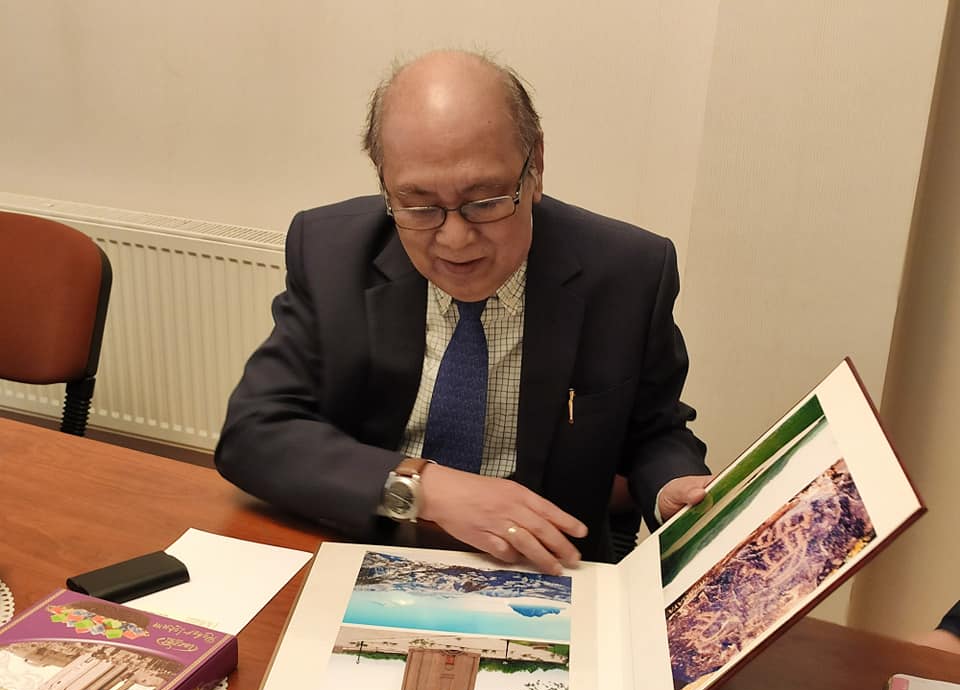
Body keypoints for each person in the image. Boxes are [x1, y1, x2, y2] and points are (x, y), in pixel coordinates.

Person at [215, 50, 711, 573]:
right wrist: (426, 487)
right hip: (367, 551)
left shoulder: (628, 272)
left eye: (485, 200)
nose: (454, 239)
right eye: (418, 205)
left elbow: (655, 430)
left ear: (535, 167)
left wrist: (671, 487)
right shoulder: (330, 253)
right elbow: (254, 432)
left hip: (545, 568)